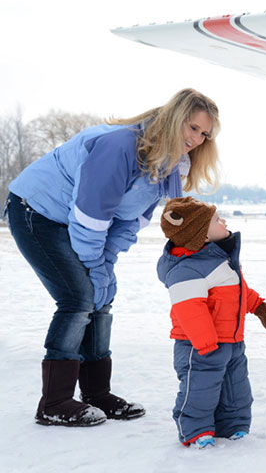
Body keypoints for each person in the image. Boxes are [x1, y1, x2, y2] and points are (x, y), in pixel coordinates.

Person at [4, 88, 220, 427]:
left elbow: (129, 221)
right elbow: (89, 217)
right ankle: (54, 402)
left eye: (204, 134)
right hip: (37, 211)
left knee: (101, 296)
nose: (197, 139)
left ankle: (96, 393)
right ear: (174, 118)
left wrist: (105, 264)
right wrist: (95, 266)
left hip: (74, 221)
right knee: (78, 297)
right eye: (193, 127)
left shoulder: (169, 164)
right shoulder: (118, 147)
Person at [156, 196, 266, 448]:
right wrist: (206, 343)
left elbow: (237, 291)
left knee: (236, 389)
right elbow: (189, 309)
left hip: (232, 340)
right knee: (200, 390)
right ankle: (196, 431)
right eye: (217, 220)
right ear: (202, 235)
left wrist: (258, 305)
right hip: (199, 346)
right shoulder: (188, 268)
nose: (224, 222)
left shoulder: (220, 259)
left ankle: (233, 425)